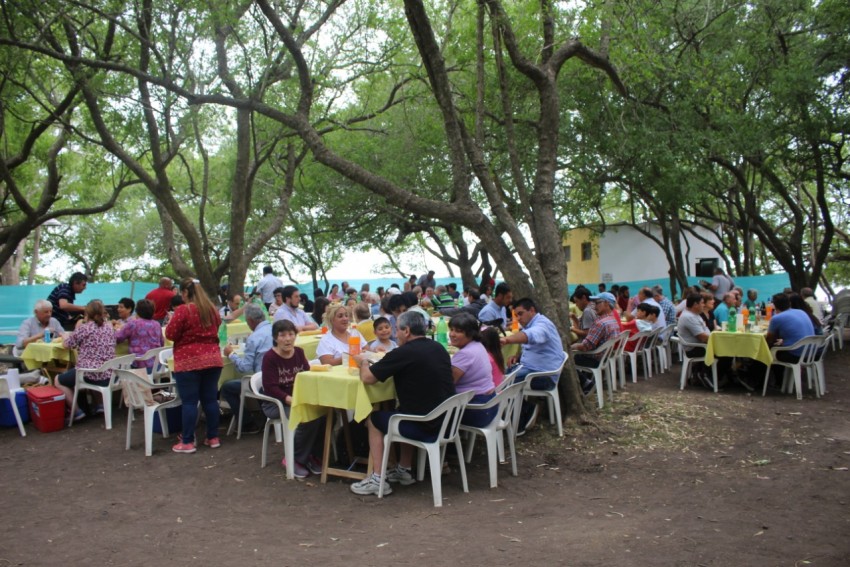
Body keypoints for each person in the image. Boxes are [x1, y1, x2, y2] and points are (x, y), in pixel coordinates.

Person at [350, 311, 456, 496]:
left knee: (373, 420)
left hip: (425, 426)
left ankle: (377, 478)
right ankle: (403, 470)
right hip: (447, 422)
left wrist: (363, 362)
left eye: (397, 329)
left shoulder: (403, 352)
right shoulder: (439, 348)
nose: (394, 334)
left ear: (406, 331)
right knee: (402, 410)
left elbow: (367, 378)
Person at [165, 278, 223, 454]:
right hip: (213, 359)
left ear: (184, 293)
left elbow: (171, 334)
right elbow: (218, 325)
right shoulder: (212, 309)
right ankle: (213, 437)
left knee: (190, 402)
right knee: (210, 400)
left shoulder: (183, 310)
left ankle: (188, 441)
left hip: (188, 361)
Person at [261, 320, 325, 479]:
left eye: (291, 334)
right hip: (276, 402)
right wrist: (289, 399)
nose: (287, 339)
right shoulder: (270, 357)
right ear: (276, 338)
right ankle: (294, 458)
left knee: (324, 413)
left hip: (298, 398)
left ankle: (312, 455)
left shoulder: (299, 352)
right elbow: (270, 387)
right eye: (282, 335)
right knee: (306, 417)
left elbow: (307, 375)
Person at [55, 300, 116, 422]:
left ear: (86, 314)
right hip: (110, 373)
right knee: (97, 368)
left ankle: (76, 411)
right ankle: (99, 405)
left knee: (58, 380)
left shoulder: (85, 328)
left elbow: (67, 345)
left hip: (90, 373)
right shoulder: (109, 328)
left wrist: (65, 337)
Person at [216, 303, 273, 435]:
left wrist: (231, 354)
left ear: (250, 321)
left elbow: (244, 368)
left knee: (226, 387)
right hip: (275, 376)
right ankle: (261, 416)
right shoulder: (274, 329)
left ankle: (247, 423)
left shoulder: (254, 337)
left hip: (262, 380)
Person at [499, 298, 564, 388]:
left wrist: (507, 340)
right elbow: (533, 347)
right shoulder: (530, 324)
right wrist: (518, 357)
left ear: (532, 310)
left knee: (499, 385)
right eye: (516, 315)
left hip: (543, 376)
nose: (518, 318)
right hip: (533, 370)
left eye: (520, 314)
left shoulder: (543, 324)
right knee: (497, 378)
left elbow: (530, 335)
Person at [448, 313, 497, 427]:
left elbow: (448, 384)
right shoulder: (478, 345)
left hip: (477, 409)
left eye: (458, 331)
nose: (452, 334)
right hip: (490, 404)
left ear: (470, 334)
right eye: (451, 329)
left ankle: (446, 443)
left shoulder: (465, 354)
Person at [572, 292, 622, 371]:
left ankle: (585, 382)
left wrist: (570, 347)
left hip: (595, 360)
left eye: (597, 303)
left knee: (566, 358)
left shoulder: (600, 323)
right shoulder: (613, 320)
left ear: (606, 303)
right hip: (605, 358)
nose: (595, 307)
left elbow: (585, 347)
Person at [114, 299, 164, 371]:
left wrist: (116, 330)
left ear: (137, 311)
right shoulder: (157, 324)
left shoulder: (133, 324)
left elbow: (118, 338)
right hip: (156, 365)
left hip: (139, 365)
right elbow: (161, 343)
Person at [766, 293, 815, 362]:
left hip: (795, 354)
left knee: (766, 350)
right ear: (789, 303)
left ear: (774, 305)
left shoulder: (776, 318)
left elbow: (769, 340)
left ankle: (761, 371)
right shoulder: (801, 312)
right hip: (811, 352)